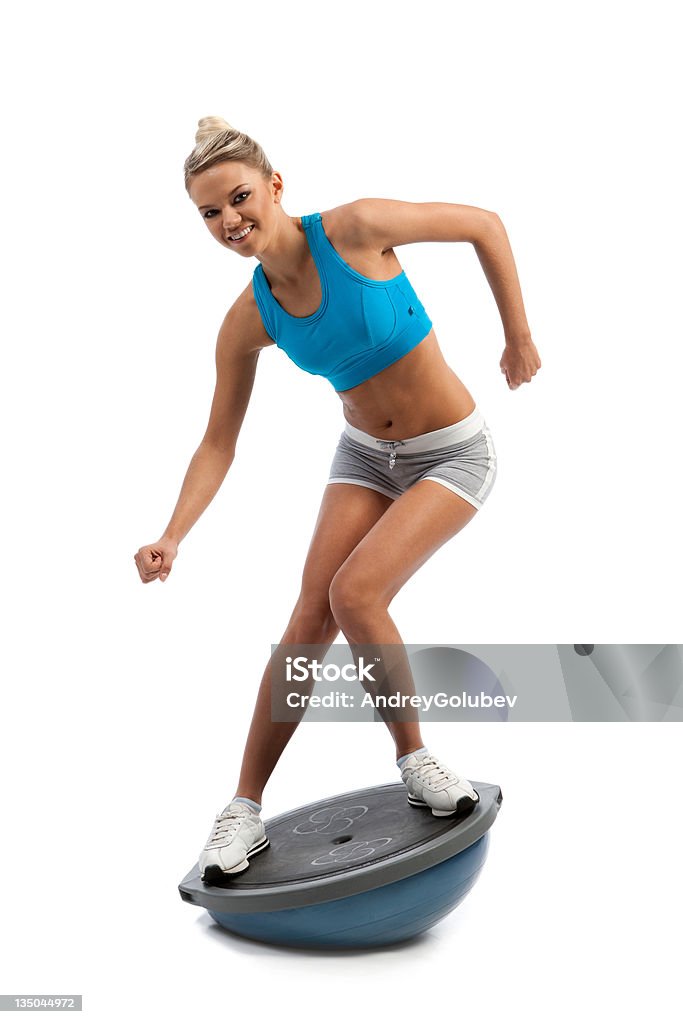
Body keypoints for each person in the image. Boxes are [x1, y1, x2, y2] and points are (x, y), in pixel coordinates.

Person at [134, 116, 541, 883]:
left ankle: (415, 759)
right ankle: (242, 810)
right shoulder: (247, 318)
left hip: (451, 451)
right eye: (209, 213)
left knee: (356, 592)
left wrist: (516, 337)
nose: (229, 221)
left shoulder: (356, 228)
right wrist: (173, 534)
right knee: (308, 615)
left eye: (239, 198)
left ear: (274, 185)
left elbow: (484, 225)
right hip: (365, 455)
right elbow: (218, 442)